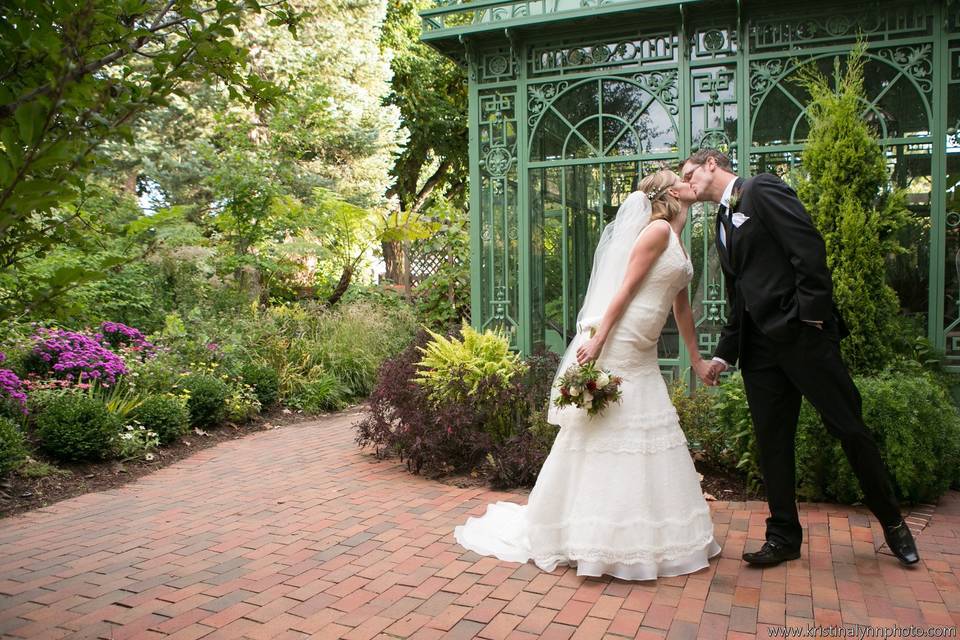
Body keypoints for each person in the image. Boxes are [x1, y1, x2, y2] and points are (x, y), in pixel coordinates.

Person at [453, 170, 721, 580]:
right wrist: (596, 341)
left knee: (645, 432)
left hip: (643, 348)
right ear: (668, 194)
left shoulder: (678, 239)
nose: (689, 180)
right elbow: (624, 290)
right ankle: (587, 532)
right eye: (679, 178)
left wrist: (696, 359)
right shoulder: (657, 232)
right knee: (604, 431)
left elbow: (680, 308)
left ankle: (645, 536)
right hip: (621, 339)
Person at [679, 148, 919, 566]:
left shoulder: (761, 189)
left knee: (849, 428)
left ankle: (894, 524)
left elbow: (808, 249)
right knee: (773, 443)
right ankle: (784, 537)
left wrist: (810, 320)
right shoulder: (721, 220)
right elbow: (740, 296)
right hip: (759, 353)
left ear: (712, 164)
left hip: (804, 341)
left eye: (689, 172)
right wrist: (724, 354)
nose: (686, 182)